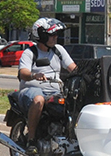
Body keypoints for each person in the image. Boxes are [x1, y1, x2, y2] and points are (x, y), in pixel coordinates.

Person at [16, 18, 75, 146]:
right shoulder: (30, 53)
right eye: (52, 35)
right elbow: (23, 73)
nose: (55, 37)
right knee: (39, 100)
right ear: (42, 36)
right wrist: (34, 75)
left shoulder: (59, 50)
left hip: (55, 91)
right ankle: (31, 140)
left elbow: (73, 68)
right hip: (32, 90)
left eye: (56, 34)